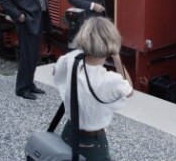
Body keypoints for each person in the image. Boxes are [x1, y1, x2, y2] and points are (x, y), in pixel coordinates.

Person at [53, 17, 133, 161]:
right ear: (111, 43)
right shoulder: (111, 80)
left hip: (69, 132)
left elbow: (56, 72)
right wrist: (117, 58)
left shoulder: (69, 60)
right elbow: (130, 91)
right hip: (93, 143)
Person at [0, 0, 51, 100]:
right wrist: (18, 15)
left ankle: (30, 84)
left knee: (34, 55)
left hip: (38, 20)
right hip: (26, 22)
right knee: (27, 56)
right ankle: (21, 88)